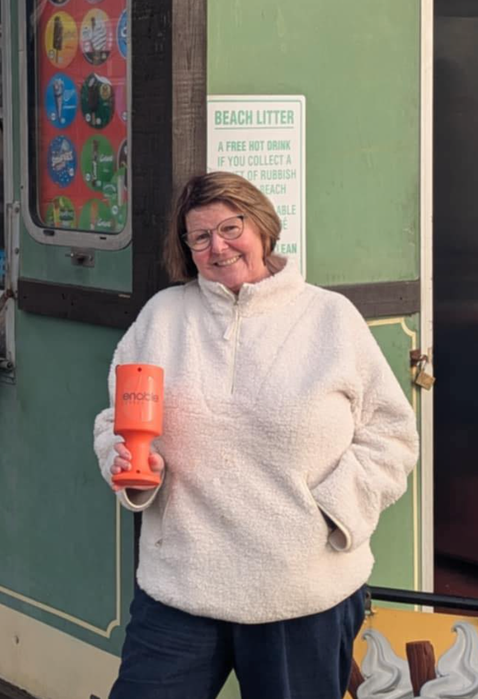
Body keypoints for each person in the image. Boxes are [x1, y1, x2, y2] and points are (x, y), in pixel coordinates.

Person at [92, 172, 420, 699]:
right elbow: (116, 419)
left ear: (262, 226)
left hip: (300, 594)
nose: (217, 246)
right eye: (199, 237)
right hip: (181, 588)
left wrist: (334, 513)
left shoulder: (330, 319)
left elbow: (393, 435)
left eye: (230, 227)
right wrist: (131, 466)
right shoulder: (161, 319)